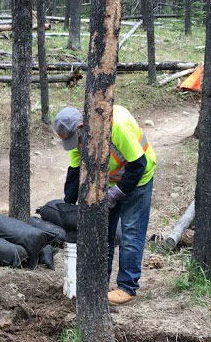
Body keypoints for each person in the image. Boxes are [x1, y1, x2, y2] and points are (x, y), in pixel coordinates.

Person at [54, 105, 156, 305]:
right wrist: (68, 204)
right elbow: (75, 171)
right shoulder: (77, 140)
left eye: (77, 139)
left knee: (131, 232)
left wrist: (114, 195)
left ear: (82, 126)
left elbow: (138, 165)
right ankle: (100, 283)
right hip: (109, 181)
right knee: (103, 233)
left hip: (139, 178)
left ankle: (127, 288)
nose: (77, 145)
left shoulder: (116, 126)